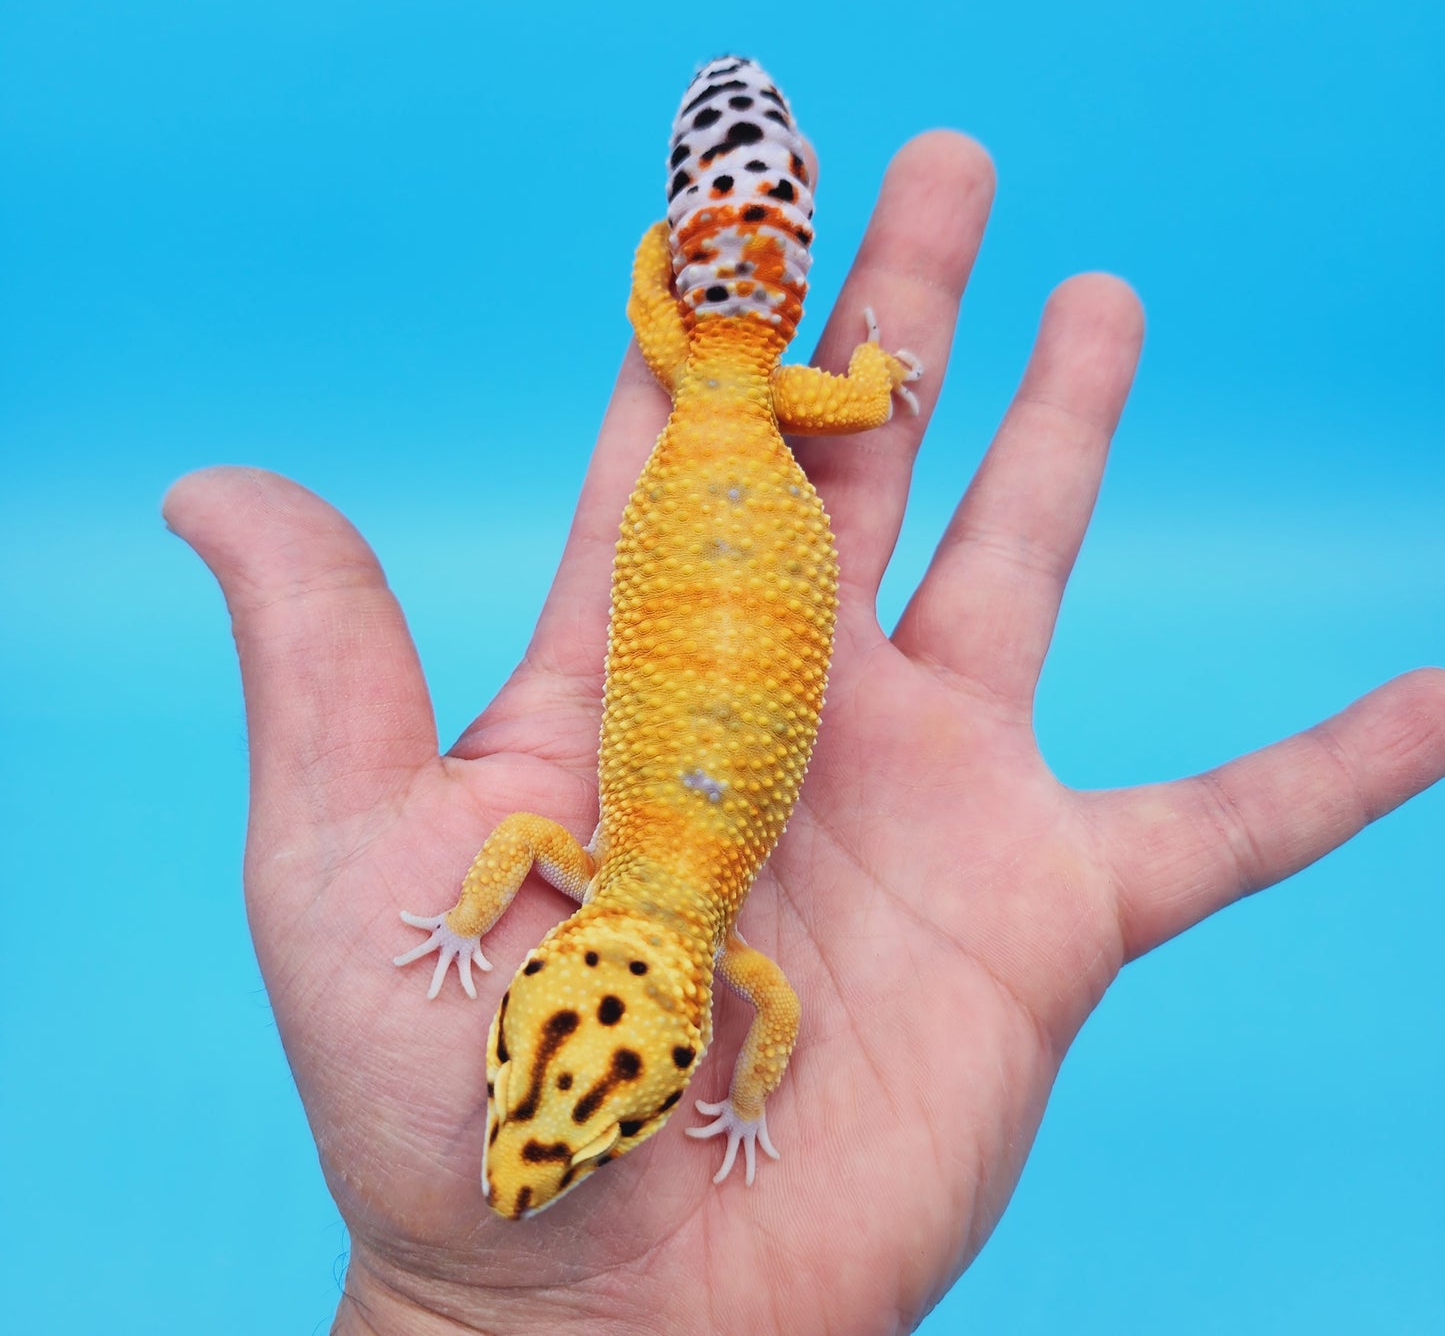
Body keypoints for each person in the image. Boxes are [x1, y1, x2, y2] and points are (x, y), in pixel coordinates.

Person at [164, 132, 1444, 1334]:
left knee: (684, 341)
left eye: (516, 1089)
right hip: (743, 453)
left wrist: (481, 947)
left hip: (724, 455)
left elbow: (726, 993)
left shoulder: (678, 941)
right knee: (687, 344)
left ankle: (713, 236)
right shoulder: (622, 896)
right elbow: (564, 871)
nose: (518, 1144)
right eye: (563, 1116)